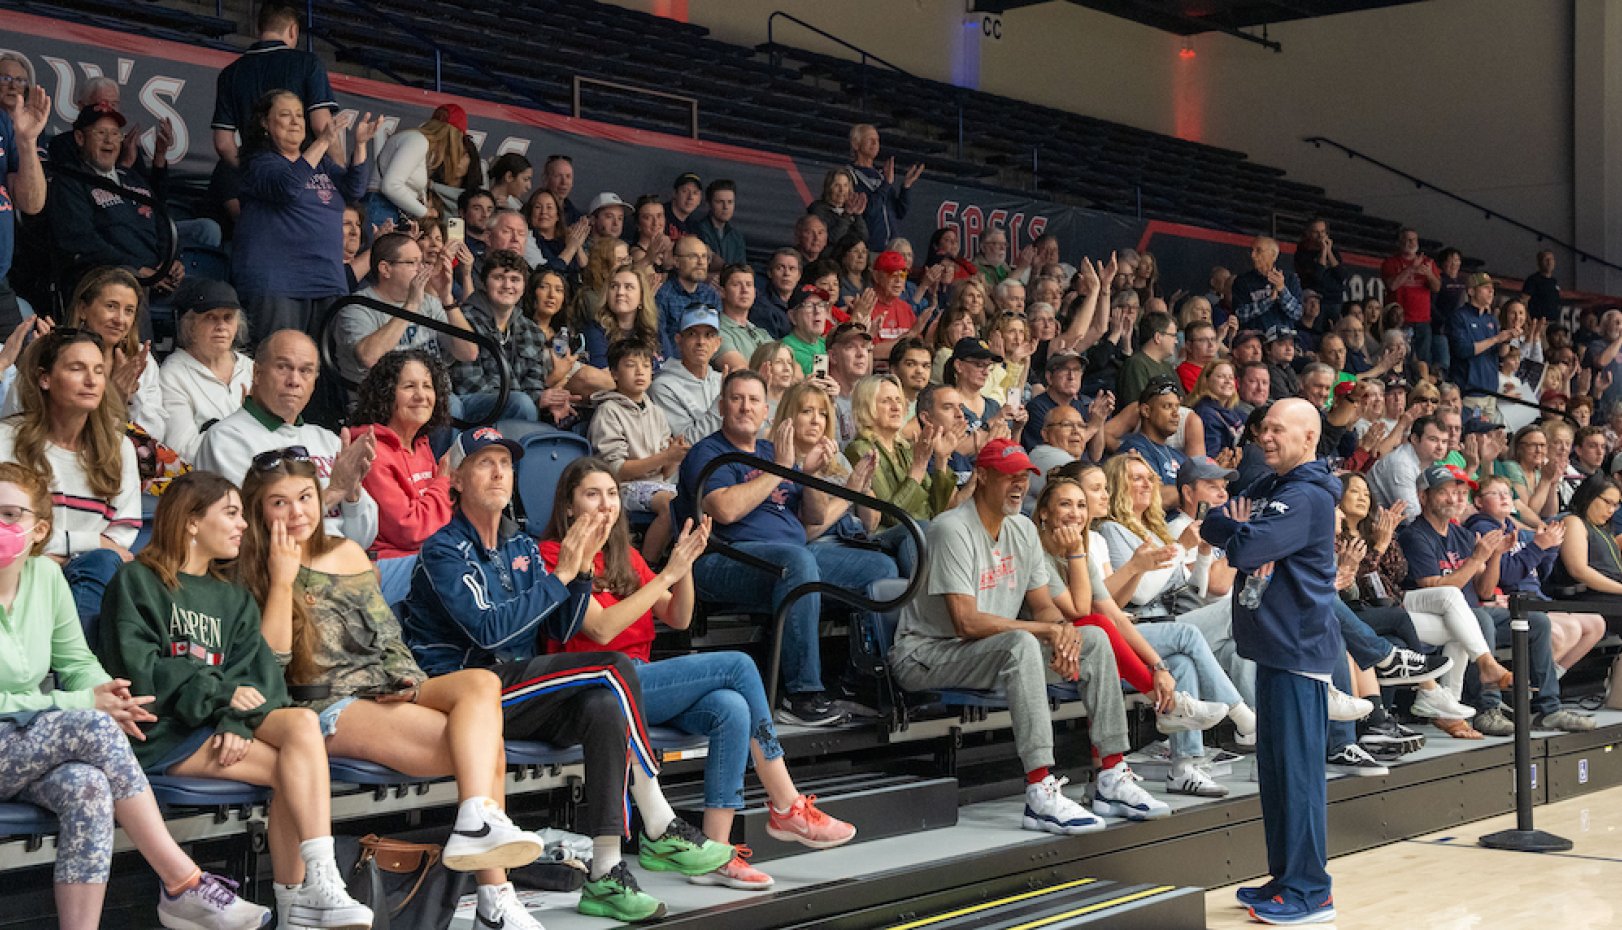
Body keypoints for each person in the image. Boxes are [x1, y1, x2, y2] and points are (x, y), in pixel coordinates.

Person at [403, 427, 734, 923]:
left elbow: (558, 621)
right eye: (484, 463)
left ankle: (604, 872)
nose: (498, 472)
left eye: (506, 463)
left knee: (603, 705)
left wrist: (579, 575)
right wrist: (563, 575)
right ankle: (658, 818)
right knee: (614, 667)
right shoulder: (443, 550)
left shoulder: (519, 544)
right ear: (455, 479)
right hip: (466, 692)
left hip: (520, 691)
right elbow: (491, 633)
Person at [238, 448, 548, 929]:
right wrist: (281, 581)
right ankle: (495, 894)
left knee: (482, 683)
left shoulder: (347, 551)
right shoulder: (249, 567)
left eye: (304, 497)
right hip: (322, 701)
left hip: (386, 685)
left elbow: (385, 634)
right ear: (259, 509)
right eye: (279, 503)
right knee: (490, 754)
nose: (297, 511)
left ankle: (478, 832)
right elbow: (270, 664)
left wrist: (407, 680)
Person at [541, 459, 856, 890]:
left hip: (640, 683)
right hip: (596, 691)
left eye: (612, 493)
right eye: (592, 494)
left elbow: (679, 616)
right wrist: (667, 574)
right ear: (570, 506)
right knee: (739, 666)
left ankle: (716, 853)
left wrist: (684, 563)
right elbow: (601, 628)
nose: (606, 504)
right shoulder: (555, 555)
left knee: (729, 707)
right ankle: (786, 803)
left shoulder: (625, 557)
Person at [98, 472, 375, 929]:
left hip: (212, 727)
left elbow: (264, 681)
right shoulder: (138, 581)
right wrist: (224, 698)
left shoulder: (233, 597)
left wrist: (237, 722)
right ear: (190, 520)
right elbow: (142, 672)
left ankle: (319, 883)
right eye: (230, 512)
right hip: (161, 733)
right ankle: (299, 904)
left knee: (302, 727)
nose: (244, 525)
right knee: (297, 771)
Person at [0, 463, 270, 930]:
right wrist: (80, 705)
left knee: (89, 787)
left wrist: (108, 693)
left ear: (39, 527)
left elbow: (77, 662)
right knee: (96, 726)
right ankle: (183, 882)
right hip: (16, 735)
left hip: (26, 745)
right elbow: (67, 706)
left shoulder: (44, 577)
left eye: (9, 514)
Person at [888, 438, 1171, 834]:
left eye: (1024, 476)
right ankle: (1040, 791)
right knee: (1022, 643)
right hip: (928, 654)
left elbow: (1045, 607)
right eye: (1009, 477)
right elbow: (965, 623)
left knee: (1092, 640)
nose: (1019, 485)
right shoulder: (950, 528)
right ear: (983, 477)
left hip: (989, 651)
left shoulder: (1021, 529)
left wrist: (1064, 635)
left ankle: (1110, 775)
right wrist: (1048, 631)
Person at [679, 371, 900, 726]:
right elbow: (724, 509)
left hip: (792, 555)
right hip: (724, 558)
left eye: (753, 400)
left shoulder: (770, 450)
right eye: (736, 399)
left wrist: (808, 476)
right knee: (797, 564)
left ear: (766, 410)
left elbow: (810, 518)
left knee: (881, 569)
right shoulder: (710, 452)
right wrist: (782, 468)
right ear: (721, 406)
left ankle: (860, 679)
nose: (745, 407)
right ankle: (801, 695)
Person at [1201, 399, 1342, 926]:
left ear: (1309, 438)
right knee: (1278, 775)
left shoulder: (1305, 496)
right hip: (1272, 649)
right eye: (1264, 428)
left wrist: (1243, 532)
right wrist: (1239, 529)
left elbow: (1240, 548)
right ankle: (1286, 880)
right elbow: (1213, 526)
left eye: (1279, 429)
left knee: (1300, 777)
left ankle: (1311, 891)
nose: (1266, 435)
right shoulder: (1271, 488)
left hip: (1299, 650)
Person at [1037, 471, 1248, 797]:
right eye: (1067, 503)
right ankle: (1241, 717)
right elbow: (1081, 612)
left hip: (1101, 637)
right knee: (1186, 632)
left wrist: (1158, 667)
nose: (1077, 512)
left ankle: (1184, 767)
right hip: (1052, 647)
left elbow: (1112, 612)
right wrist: (1133, 566)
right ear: (1043, 513)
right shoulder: (1057, 548)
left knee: (1178, 662)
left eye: (1081, 503)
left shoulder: (1087, 545)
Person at [1398, 465, 1587, 734]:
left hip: (1471, 612)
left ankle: (1549, 708)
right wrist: (1476, 558)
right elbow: (1433, 586)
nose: (1455, 498)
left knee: (1536, 622)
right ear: (1424, 496)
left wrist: (1495, 554)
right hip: (1432, 616)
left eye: (1461, 492)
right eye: (1445, 492)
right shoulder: (1414, 535)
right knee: (1481, 618)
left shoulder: (1462, 535)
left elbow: (1485, 591)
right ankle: (1489, 708)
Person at [1337, 473, 1502, 737]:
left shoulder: (1377, 530)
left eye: (1366, 493)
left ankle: (1448, 706)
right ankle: (1432, 691)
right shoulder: (1336, 535)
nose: (1362, 497)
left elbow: (1398, 573)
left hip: (1391, 603)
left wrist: (1385, 541)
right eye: (1354, 492)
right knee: (1420, 613)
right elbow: (1359, 587)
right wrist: (1377, 549)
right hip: (1364, 610)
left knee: (1462, 629)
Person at [0, 329, 140, 624]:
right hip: (21, 566)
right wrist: (77, 548)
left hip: (91, 574)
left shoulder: (120, 448)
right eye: (77, 368)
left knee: (102, 564)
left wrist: (67, 552)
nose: (91, 380)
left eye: (99, 370)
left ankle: (73, 663)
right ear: (45, 378)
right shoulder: (7, 440)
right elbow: (7, 529)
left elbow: (120, 539)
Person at [194, 330, 379, 549]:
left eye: (305, 371)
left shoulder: (328, 439)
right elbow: (253, 531)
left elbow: (363, 538)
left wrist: (352, 494)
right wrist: (334, 492)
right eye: (283, 367)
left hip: (341, 562)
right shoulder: (226, 439)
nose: (294, 381)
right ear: (257, 373)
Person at [233, 90, 375, 340]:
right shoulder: (260, 162)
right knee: (279, 362)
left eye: (299, 115)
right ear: (265, 123)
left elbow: (354, 189)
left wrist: (361, 144)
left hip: (327, 280)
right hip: (279, 283)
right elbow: (287, 186)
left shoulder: (320, 163)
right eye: (285, 115)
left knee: (322, 369)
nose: (296, 121)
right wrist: (323, 141)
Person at [1464, 476, 1606, 677]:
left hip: (1537, 599)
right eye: (1495, 494)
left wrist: (1550, 549)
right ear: (1478, 502)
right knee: (1565, 631)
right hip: (1517, 602)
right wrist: (1538, 547)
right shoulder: (1482, 529)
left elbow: (1539, 576)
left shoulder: (1516, 529)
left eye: (1507, 493)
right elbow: (1506, 577)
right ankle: (1527, 688)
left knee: (1596, 624)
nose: (1504, 498)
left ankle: (1548, 679)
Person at [348, 350, 453, 605]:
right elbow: (409, 529)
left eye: (427, 386)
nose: (421, 396)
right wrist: (444, 480)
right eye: (409, 386)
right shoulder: (370, 450)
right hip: (387, 565)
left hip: (424, 556)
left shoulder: (420, 445)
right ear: (387, 394)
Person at [46, 104, 182, 297]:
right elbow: (81, 240)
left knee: (215, 293)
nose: (109, 140)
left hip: (157, 277)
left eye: (115, 133)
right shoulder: (71, 180)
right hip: (107, 280)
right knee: (128, 287)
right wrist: (136, 270)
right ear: (80, 138)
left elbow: (162, 223)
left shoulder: (132, 177)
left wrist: (171, 261)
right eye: (100, 133)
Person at [337, 231, 479, 387]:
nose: (421, 269)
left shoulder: (430, 302)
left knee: (510, 401)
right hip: (384, 401)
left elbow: (469, 353)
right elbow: (369, 358)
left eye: (421, 262)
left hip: (438, 395)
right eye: (412, 263)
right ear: (385, 269)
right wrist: (410, 306)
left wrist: (447, 299)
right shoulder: (357, 306)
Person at [590, 338, 683, 561]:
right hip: (623, 487)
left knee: (699, 501)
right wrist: (664, 456)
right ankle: (647, 570)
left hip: (658, 485)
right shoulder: (608, 411)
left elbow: (666, 472)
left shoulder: (655, 412)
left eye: (646, 365)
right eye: (630, 365)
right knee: (671, 506)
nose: (640, 372)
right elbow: (616, 470)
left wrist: (674, 457)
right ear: (614, 373)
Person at [211, 2, 336, 167]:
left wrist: (252, 176)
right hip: (302, 179)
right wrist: (340, 164)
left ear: (258, 29)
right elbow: (322, 126)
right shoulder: (308, 63)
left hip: (253, 178)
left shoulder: (230, 73)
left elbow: (223, 142)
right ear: (293, 30)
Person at [452, 249, 570, 424]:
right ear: (484, 283)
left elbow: (533, 385)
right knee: (522, 403)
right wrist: (527, 399)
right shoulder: (464, 319)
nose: (507, 286)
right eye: (499, 278)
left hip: (516, 406)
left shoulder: (533, 331)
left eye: (515, 280)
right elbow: (470, 384)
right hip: (469, 403)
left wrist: (546, 399)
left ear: (523, 288)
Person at [159, 279, 254, 462]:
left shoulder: (251, 368)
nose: (221, 326)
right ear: (190, 326)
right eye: (211, 317)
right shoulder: (173, 374)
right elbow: (182, 451)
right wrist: (244, 423)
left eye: (228, 318)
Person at [844, 374, 956, 527]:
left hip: (923, 533)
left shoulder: (905, 448)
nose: (896, 407)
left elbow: (935, 510)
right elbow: (891, 517)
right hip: (890, 542)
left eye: (898, 400)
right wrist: (918, 467)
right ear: (866, 407)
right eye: (885, 401)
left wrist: (941, 459)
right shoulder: (860, 449)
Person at [365, 108, 469, 230]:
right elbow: (390, 186)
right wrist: (425, 212)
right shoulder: (418, 141)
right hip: (383, 209)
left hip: (387, 209)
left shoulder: (417, 141)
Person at [0, 65, 47, 330]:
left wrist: (27, 141)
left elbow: (32, 203)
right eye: (5, 78)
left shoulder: (4, 123)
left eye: (18, 80)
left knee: (19, 369)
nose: (12, 85)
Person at [649, 308, 724, 444]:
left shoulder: (721, 381)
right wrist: (724, 400)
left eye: (708, 335)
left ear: (718, 343)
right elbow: (687, 442)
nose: (701, 342)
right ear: (679, 340)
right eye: (692, 334)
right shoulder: (663, 387)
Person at [847, 124, 922, 250]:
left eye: (877, 140)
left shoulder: (881, 176)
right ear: (855, 144)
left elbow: (900, 212)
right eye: (870, 140)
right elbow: (869, 210)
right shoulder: (849, 175)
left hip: (892, 250)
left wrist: (906, 187)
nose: (875, 143)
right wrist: (886, 184)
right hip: (868, 249)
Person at [1367, 415, 1449, 520]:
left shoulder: (1432, 463)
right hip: (1379, 529)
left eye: (1444, 442)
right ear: (1414, 439)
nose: (1440, 447)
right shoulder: (1400, 464)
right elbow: (1411, 516)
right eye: (1433, 440)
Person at [1380, 228, 1442, 366]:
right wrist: (1411, 269)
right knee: (1401, 360)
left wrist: (1429, 274)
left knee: (1422, 361)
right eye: (1408, 239)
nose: (1412, 242)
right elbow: (1393, 285)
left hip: (1423, 320)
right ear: (1400, 242)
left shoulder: (1427, 262)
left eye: (1414, 239)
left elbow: (1437, 288)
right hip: (1400, 321)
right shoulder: (1391, 262)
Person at [656, 237, 720, 360]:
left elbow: (716, 337)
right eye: (693, 256)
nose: (701, 262)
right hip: (674, 367)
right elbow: (660, 339)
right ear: (676, 261)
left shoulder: (711, 295)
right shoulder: (663, 295)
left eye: (704, 257)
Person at [1230, 236, 1302, 335]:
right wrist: (1269, 301)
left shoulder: (1290, 279)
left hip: (1283, 340)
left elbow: (1297, 314)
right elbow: (1240, 314)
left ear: (1273, 255)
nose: (1253, 255)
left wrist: (1282, 289)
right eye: (1252, 251)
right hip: (1255, 340)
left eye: (1258, 251)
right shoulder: (1242, 281)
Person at [715, 263, 772, 373]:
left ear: (755, 292)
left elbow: (791, 365)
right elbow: (741, 371)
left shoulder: (762, 332)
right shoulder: (716, 331)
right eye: (736, 284)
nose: (745, 290)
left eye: (749, 284)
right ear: (722, 292)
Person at [1116, 312, 1178, 406]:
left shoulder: (1168, 367)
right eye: (1173, 336)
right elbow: (1137, 406)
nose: (1176, 341)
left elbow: (1181, 400)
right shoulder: (1135, 365)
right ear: (1158, 337)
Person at [1190, 359, 1244, 458]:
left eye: (1231, 377)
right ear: (1206, 381)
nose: (1228, 381)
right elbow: (1212, 455)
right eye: (1221, 377)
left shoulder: (1233, 410)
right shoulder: (1205, 413)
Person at [807, 168, 867, 248]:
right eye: (837, 185)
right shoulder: (818, 208)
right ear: (829, 188)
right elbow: (833, 238)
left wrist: (857, 215)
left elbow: (864, 237)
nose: (842, 190)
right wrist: (847, 215)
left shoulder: (850, 208)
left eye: (845, 185)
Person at [694, 179, 746, 270]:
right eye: (720, 202)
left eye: (730, 202)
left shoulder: (737, 237)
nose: (726, 207)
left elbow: (741, 269)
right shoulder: (697, 230)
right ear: (708, 204)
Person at [1523, 249, 1561, 321]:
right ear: (1539, 262)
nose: (1549, 262)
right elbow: (1524, 301)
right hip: (1538, 322)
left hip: (1553, 323)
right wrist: (1528, 319)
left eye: (1551, 259)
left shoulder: (1554, 281)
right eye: (1546, 259)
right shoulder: (1533, 280)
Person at [665, 172, 703, 240]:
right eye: (685, 191)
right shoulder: (659, 216)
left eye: (695, 193)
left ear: (699, 200)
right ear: (674, 193)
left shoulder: (695, 227)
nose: (690, 197)